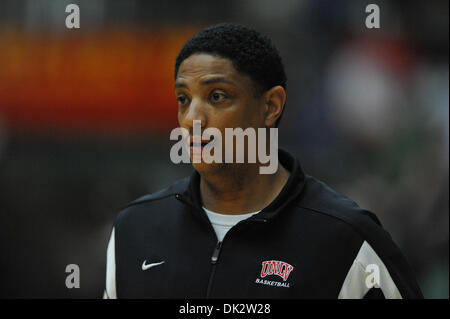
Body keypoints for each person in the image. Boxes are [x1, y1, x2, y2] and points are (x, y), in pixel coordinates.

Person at [103, 23, 423, 299]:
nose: (192, 119)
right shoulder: (135, 230)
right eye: (183, 99)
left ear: (270, 106)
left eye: (217, 96)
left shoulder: (346, 241)